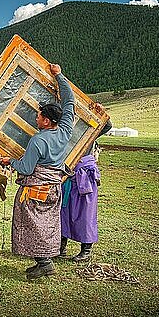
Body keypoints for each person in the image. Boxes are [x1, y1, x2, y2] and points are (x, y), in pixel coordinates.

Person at [0, 63, 75, 280]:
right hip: (53, 187)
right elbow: (70, 101)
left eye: (39, 115)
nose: (36, 118)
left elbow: (26, 167)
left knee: (33, 223)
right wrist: (59, 76)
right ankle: (43, 262)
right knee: (47, 223)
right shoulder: (65, 130)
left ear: (47, 120)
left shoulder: (38, 141)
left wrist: (9, 161)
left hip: (35, 188)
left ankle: (45, 263)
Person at [60, 108, 112, 262]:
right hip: (67, 174)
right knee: (63, 211)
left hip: (84, 176)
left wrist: (100, 112)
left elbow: (107, 126)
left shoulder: (89, 128)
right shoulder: (62, 129)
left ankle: (86, 251)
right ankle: (60, 247)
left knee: (85, 212)